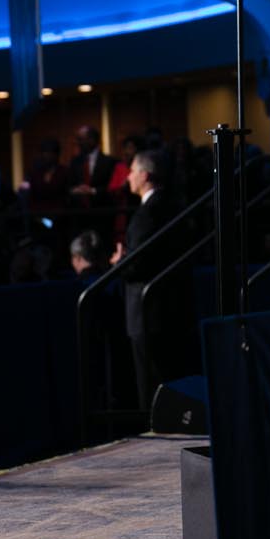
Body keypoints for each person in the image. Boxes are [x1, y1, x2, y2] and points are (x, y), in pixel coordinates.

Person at [118, 150, 197, 409]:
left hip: (147, 311)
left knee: (152, 385)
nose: (128, 177)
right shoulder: (174, 207)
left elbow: (138, 265)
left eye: (132, 171)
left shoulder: (146, 214)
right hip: (172, 307)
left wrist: (120, 262)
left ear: (145, 175)